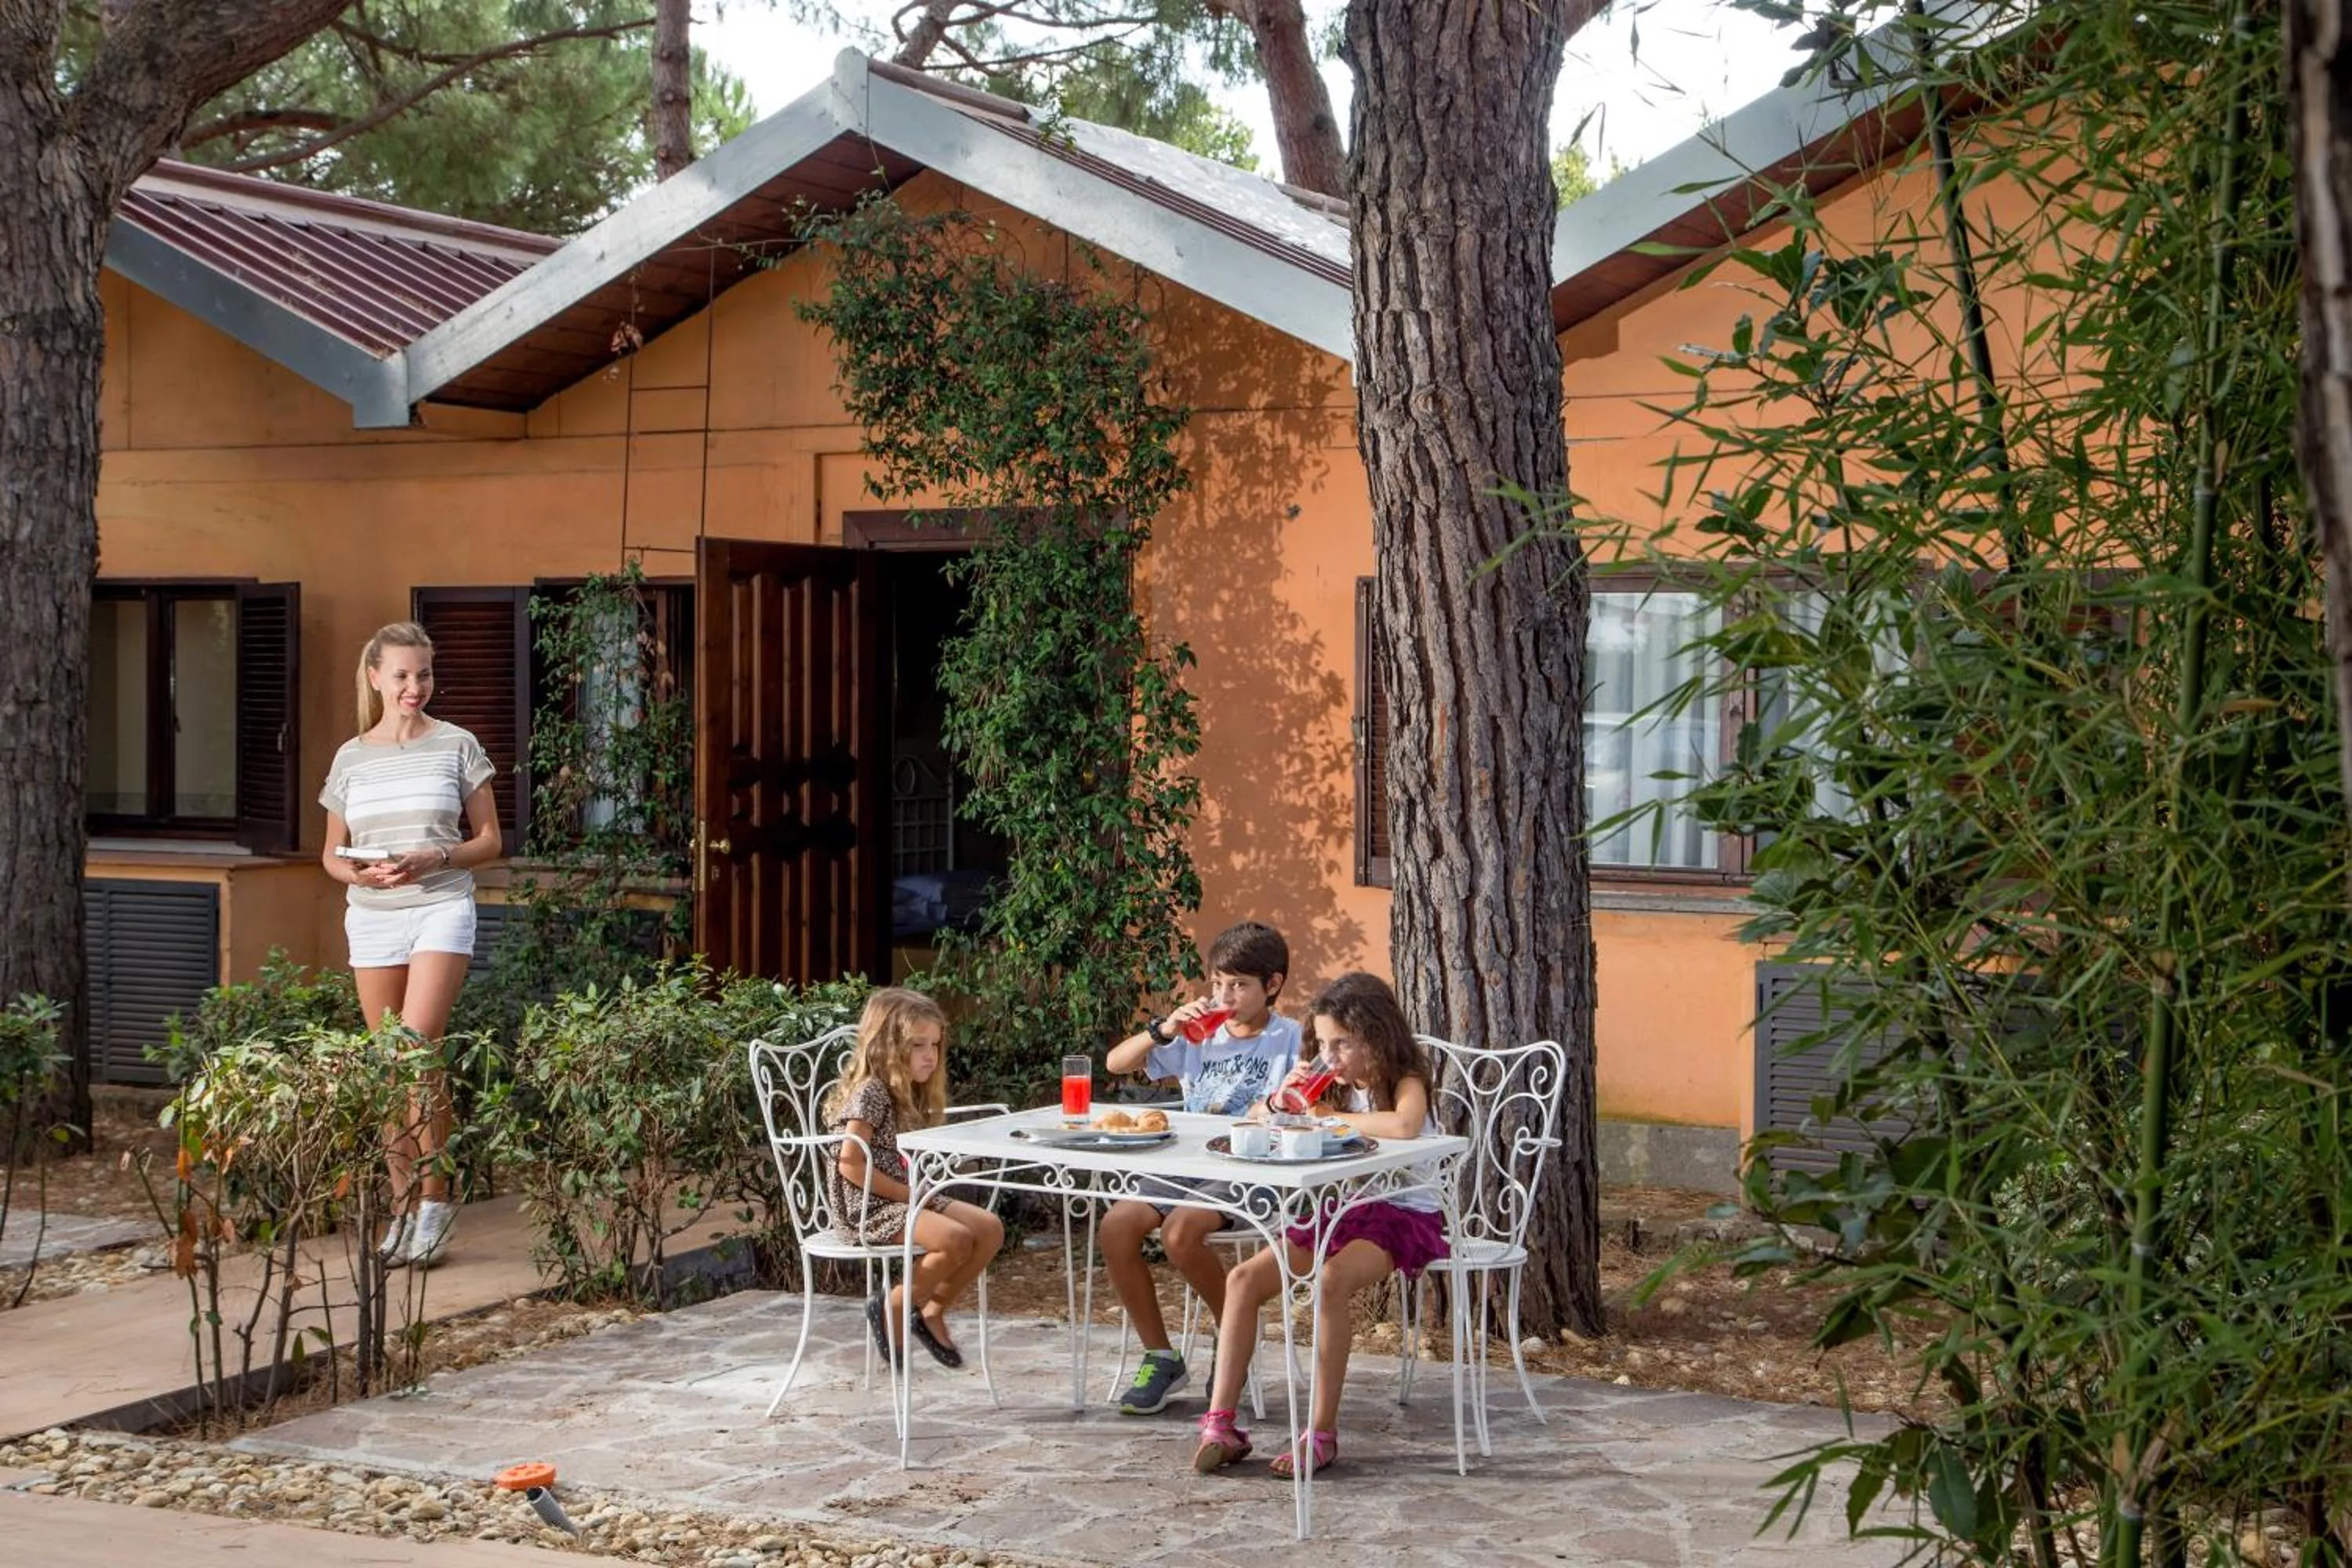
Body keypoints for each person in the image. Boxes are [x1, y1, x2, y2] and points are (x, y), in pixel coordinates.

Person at [1190, 971, 1448, 1479]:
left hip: (1403, 1214)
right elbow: (1268, 1122)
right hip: (1345, 1211)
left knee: (1330, 1281)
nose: (1331, 1057)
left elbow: (1402, 1126)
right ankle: (1220, 1423)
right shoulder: (1332, 1087)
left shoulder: (1403, 1082)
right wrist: (1280, 1102)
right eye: (1325, 1044)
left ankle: (1321, 1435)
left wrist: (1327, 1118)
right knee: (1243, 1279)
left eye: (1343, 1044)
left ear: (1377, 1035)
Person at [318, 622, 501, 1270]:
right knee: (388, 1066)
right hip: (372, 916)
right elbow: (331, 857)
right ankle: (400, 1208)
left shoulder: (458, 746)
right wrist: (357, 871)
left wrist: (437, 854)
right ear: (375, 676)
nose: (413, 687)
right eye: (401, 675)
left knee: (417, 1051)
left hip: (440, 906)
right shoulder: (350, 758)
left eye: (422, 674)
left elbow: (490, 841)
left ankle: (434, 1203)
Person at [1098, 920, 1301, 1414]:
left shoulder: (1289, 1038)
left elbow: (1308, 1100)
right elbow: (1115, 1064)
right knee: (1116, 1226)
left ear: (1271, 985)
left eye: (1239, 985)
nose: (1225, 996)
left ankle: (1235, 1340)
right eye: (1217, 984)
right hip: (1186, 1160)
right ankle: (1161, 1355)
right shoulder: (1197, 1035)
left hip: (1254, 1166)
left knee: (1180, 1234)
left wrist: (1282, 1103)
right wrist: (1163, 1029)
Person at [826, 987, 1005, 1370]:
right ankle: (893, 1303)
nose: (931, 1055)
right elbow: (850, 1164)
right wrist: (911, 1195)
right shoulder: (871, 1092)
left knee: (989, 1229)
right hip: (869, 1207)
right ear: (886, 1047)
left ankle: (931, 1310)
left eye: (936, 1045)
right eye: (918, 1045)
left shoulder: (906, 1091)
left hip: (905, 1196)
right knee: (955, 1239)